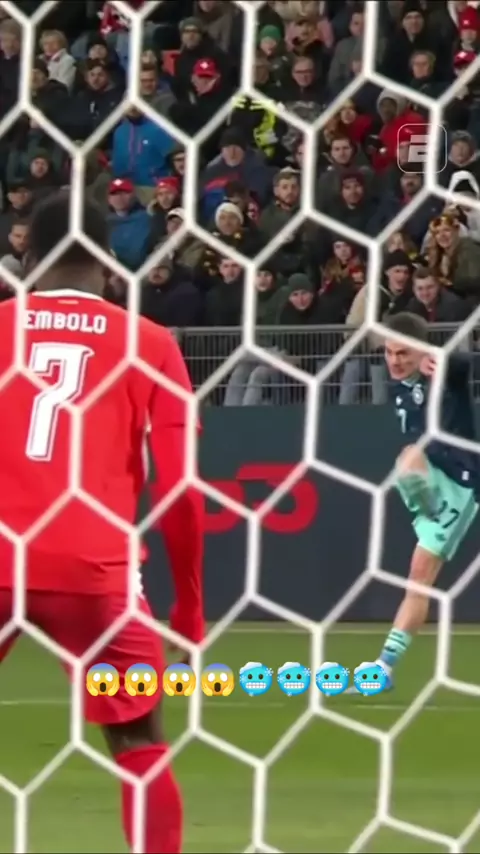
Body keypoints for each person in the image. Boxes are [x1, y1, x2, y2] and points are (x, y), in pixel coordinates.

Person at [0, 191, 205, 854]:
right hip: (95, 571)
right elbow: (180, 490)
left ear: (29, 259)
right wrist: (190, 608)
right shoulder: (151, 343)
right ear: (110, 262)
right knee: (139, 740)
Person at [377, 312, 479, 690]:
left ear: (422, 351)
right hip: (429, 479)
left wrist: (442, 360)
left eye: (403, 353)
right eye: (389, 352)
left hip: (462, 485)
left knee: (419, 577)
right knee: (407, 458)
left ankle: (383, 668)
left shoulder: (443, 374)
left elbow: (464, 365)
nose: (395, 361)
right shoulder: (398, 388)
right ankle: (383, 670)